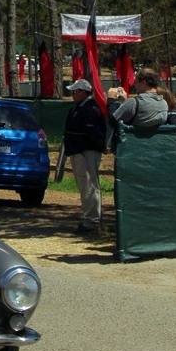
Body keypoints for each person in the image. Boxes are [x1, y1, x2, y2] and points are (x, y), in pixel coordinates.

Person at [62, 78, 107, 234]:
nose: (73, 94)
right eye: (72, 91)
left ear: (84, 92)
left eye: (75, 91)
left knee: (89, 185)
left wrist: (88, 148)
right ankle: (90, 217)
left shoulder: (90, 109)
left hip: (86, 152)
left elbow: (93, 133)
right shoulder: (78, 108)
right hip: (78, 151)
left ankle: (92, 220)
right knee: (84, 185)